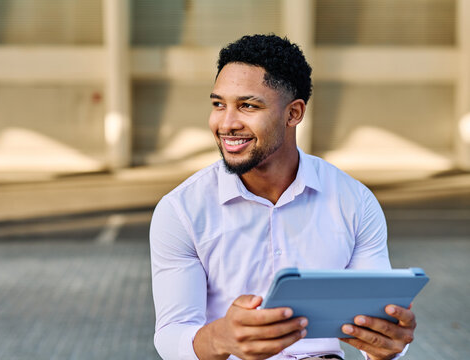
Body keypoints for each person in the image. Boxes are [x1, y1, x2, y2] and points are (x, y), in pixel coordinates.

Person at [150, 34, 416, 360]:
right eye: (219, 104)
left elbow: (378, 323)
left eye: (248, 105)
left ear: (293, 114)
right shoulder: (181, 211)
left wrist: (387, 346)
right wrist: (221, 338)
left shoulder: (355, 202)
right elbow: (171, 335)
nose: (226, 123)